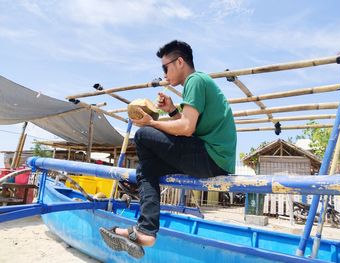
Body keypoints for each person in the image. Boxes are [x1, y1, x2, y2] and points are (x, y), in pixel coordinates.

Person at [100, 40, 237, 258]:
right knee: (147, 169)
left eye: (165, 67)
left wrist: (150, 123)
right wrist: (172, 109)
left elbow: (186, 128)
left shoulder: (195, 80)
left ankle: (145, 225)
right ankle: (145, 231)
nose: (164, 74)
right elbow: (187, 126)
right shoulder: (197, 84)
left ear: (180, 62)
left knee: (143, 136)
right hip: (208, 157)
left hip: (211, 157)